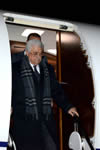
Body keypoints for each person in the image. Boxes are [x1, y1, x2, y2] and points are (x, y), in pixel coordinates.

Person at [11, 39, 79, 150]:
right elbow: (10, 91)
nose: (38, 57)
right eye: (35, 53)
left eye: (40, 53)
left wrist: (68, 106)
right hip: (25, 122)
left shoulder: (48, 69)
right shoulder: (15, 69)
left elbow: (56, 90)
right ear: (27, 53)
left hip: (46, 121)